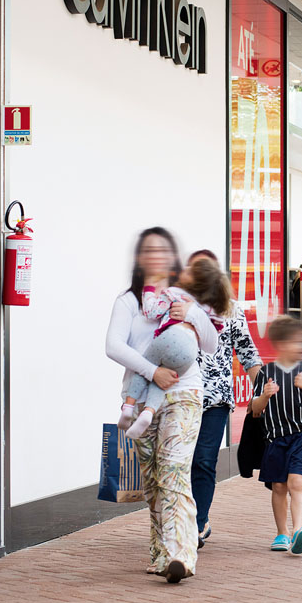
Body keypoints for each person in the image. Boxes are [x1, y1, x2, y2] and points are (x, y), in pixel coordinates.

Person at [104, 227, 200, 584]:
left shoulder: (187, 297)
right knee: (154, 481)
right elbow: (113, 345)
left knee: (174, 470)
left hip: (185, 393)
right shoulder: (128, 301)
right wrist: (153, 371)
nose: (156, 256)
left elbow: (211, 341)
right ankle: (161, 552)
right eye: (148, 250)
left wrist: (192, 313)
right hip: (142, 397)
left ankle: (181, 554)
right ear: (139, 259)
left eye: (163, 250)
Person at [184, 250, 262, 548]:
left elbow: (247, 350)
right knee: (181, 462)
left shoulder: (231, 309)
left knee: (204, 460)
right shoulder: (178, 306)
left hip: (215, 398)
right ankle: (182, 520)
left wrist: (267, 389)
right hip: (180, 397)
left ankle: (198, 523)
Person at [250, 316, 302, 555]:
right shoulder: (266, 373)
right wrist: (265, 396)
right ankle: (282, 532)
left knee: (296, 483)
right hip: (275, 439)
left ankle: (299, 531)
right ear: (281, 345)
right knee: (278, 486)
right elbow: (255, 410)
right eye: (297, 342)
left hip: (301, 437)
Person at [118, 257, 227, 439]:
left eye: (189, 270)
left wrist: (150, 288)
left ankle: (128, 407)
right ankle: (149, 412)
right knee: (163, 380)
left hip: (170, 338)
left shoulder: (175, 293)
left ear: (193, 280)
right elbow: (215, 333)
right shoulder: (210, 306)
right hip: (189, 354)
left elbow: (151, 311)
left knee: (145, 367)